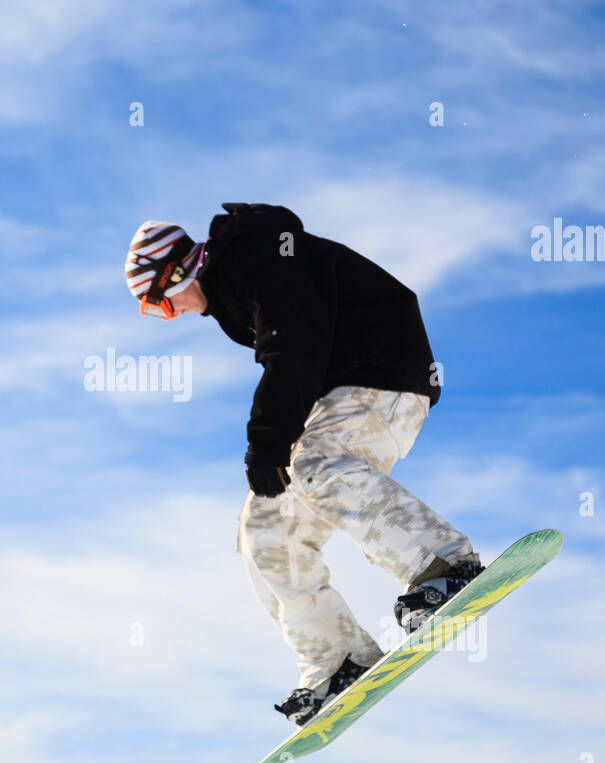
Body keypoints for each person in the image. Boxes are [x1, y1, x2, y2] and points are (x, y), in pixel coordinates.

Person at [124, 203, 482, 726]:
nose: (171, 316)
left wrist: (268, 441)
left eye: (160, 304)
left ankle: (445, 565)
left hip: (383, 372)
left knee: (315, 463)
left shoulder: (257, 257)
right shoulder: (231, 291)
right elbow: (294, 355)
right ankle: (336, 656)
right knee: (263, 526)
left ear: (177, 272)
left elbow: (292, 345)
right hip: (339, 395)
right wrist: (273, 445)